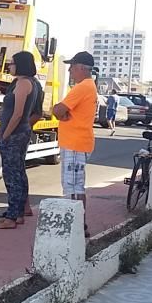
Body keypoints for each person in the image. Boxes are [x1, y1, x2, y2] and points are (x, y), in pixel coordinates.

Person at [0, 51, 41, 229]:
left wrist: (5, 135)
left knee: (12, 176)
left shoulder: (23, 84)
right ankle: (17, 213)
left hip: (15, 134)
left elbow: (17, 113)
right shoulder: (24, 83)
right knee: (18, 173)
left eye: (12, 63)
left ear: (20, 64)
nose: (9, 66)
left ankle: (11, 217)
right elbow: (6, 109)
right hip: (20, 133)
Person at [52, 51, 98, 237]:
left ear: (81, 67)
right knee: (77, 186)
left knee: (71, 187)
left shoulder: (81, 87)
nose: (70, 70)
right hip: (79, 142)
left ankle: (74, 225)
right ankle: (80, 224)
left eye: (71, 67)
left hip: (75, 143)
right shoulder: (89, 86)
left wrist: (59, 112)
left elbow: (58, 110)